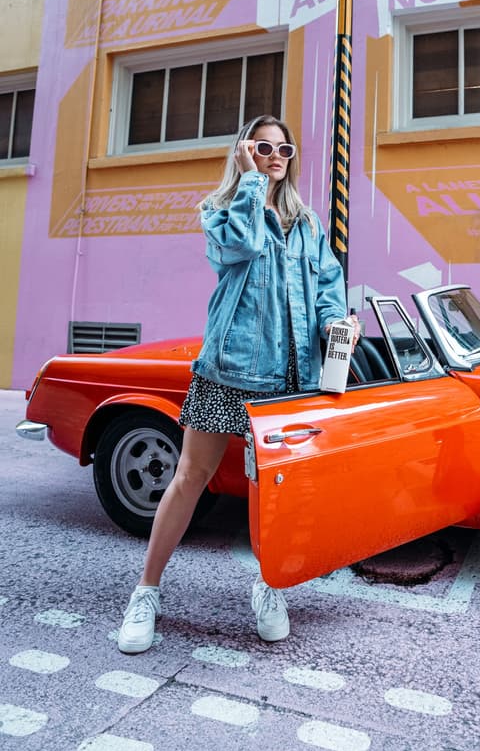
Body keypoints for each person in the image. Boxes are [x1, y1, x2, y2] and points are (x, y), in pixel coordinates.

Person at [117, 115, 359, 654]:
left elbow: (327, 285)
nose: (277, 155)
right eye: (264, 146)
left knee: (270, 487)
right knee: (190, 476)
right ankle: (146, 592)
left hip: (290, 376)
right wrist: (252, 181)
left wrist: (333, 324)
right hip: (229, 368)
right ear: (245, 151)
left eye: (284, 148)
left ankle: (269, 585)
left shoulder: (306, 222)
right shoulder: (221, 211)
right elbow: (239, 249)